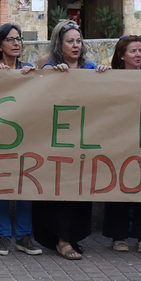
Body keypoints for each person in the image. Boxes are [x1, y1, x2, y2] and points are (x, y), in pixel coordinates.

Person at [31, 22, 102, 260]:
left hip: (83, 139)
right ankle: (61, 240)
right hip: (57, 142)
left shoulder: (89, 67)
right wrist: (52, 75)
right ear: (60, 45)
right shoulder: (51, 66)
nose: (75, 45)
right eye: (70, 41)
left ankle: (72, 237)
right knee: (61, 191)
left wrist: (104, 75)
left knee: (79, 191)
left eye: (78, 41)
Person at [0, 23, 41, 256]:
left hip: (25, 136)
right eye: (11, 39)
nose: (17, 43)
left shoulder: (28, 69)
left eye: (19, 39)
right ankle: (3, 237)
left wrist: (31, 78)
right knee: (1, 185)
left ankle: (24, 236)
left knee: (25, 185)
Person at [102, 35, 141, 253]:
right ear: (121, 55)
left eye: (140, 51)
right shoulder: (110, 77)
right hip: (118, 139)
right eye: (133, 51)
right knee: (118, 184)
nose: (138, 55)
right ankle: (118, 235)